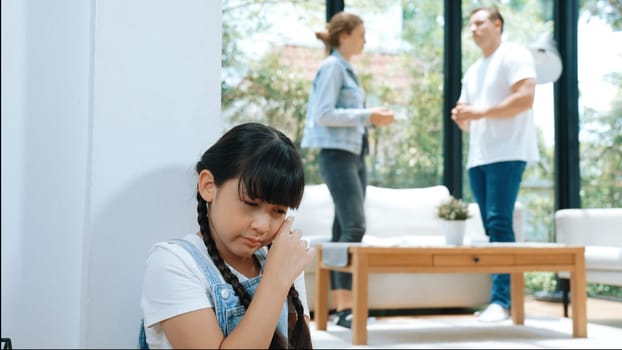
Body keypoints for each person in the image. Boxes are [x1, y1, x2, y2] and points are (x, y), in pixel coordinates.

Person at [140, 122, 315, 349]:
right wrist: (275, 279)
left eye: (278, 211)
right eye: (250, 203)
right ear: (208, 186)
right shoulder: (172, 263)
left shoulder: (280, 258)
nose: (262, 225)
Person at [301, 11, 394, 329]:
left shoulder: (346, 69)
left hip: (353, 155)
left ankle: (341, 309)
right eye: (361, 34)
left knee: (343, 229)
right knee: (354, 227)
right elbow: (323, 114)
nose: (365, 41)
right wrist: (368, 115)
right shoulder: (332, 68)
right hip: (337, 155)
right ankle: (345, 308)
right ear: (345, 36)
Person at [451, 6, 538, 323]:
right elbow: (468, 119)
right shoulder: (474, 70)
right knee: (491, 227)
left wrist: (478, 112)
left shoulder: (514, 54)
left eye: (479, 22)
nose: (473, 29)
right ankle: (505, 299)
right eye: (470, 24)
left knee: (499, 222)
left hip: (508, 152)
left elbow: (525, 98)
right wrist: (462, 116)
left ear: (498, 24)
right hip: (479, 157)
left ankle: (501, 302)